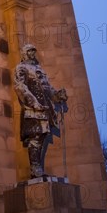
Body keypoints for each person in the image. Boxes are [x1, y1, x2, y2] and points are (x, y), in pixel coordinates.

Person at [14, 44, 68, 178]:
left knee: (42, 135)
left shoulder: (39, 69)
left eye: (33, 51)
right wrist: (33, 103)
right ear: (25, 53)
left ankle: (36, 166)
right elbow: (20, 87)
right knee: (36, 135)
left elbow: (47, 88)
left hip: (45, 107)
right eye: (30, 51)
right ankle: (35, 168)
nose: (33, 54)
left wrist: (57, 96)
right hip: (33, 107)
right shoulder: (21, 68)